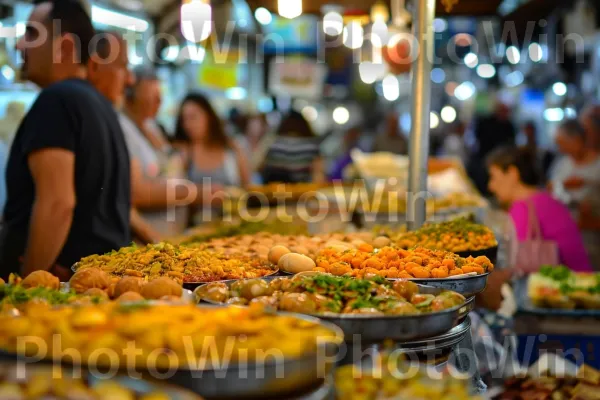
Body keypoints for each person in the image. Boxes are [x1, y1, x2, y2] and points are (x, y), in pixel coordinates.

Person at [0, 0, 131, 279]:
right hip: (94, 285)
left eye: (32, 34)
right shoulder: (100, 106)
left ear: (66, 47)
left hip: (61, 291)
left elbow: (57, 204)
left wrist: (27, 285)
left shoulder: (56, 101)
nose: (20, 46)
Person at [86, 31, 160, 244]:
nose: (128, 78)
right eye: (123, 66)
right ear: (94, 66)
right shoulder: (110, 122)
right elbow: (131, 195)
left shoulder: (148, 128)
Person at [487, 146, 592, 272]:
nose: (490, 186)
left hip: (568, 285)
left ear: (512, 173)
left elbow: (513, 262)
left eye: (493, 177)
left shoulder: (523, 208)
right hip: (582, 278)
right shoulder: (543, 197)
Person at [175, 93, 250, 188]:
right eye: (184, 119)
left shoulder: (232, 149)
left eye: (193, 117)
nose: (187, 124)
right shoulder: (183, 153)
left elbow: (247, 186)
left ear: (209, 116)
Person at [262, 110, 324, 184]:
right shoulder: (311, 146)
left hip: (274, 191)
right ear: (305, 125)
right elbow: (318, 175)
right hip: (302, 191)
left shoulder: (273, 144)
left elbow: (260, 167)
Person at [471, 102, 517, 194]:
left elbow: (511, 145)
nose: (505, 114)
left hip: (500, 162)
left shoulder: (509, 125)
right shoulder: (486, 122)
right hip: (484, 158)